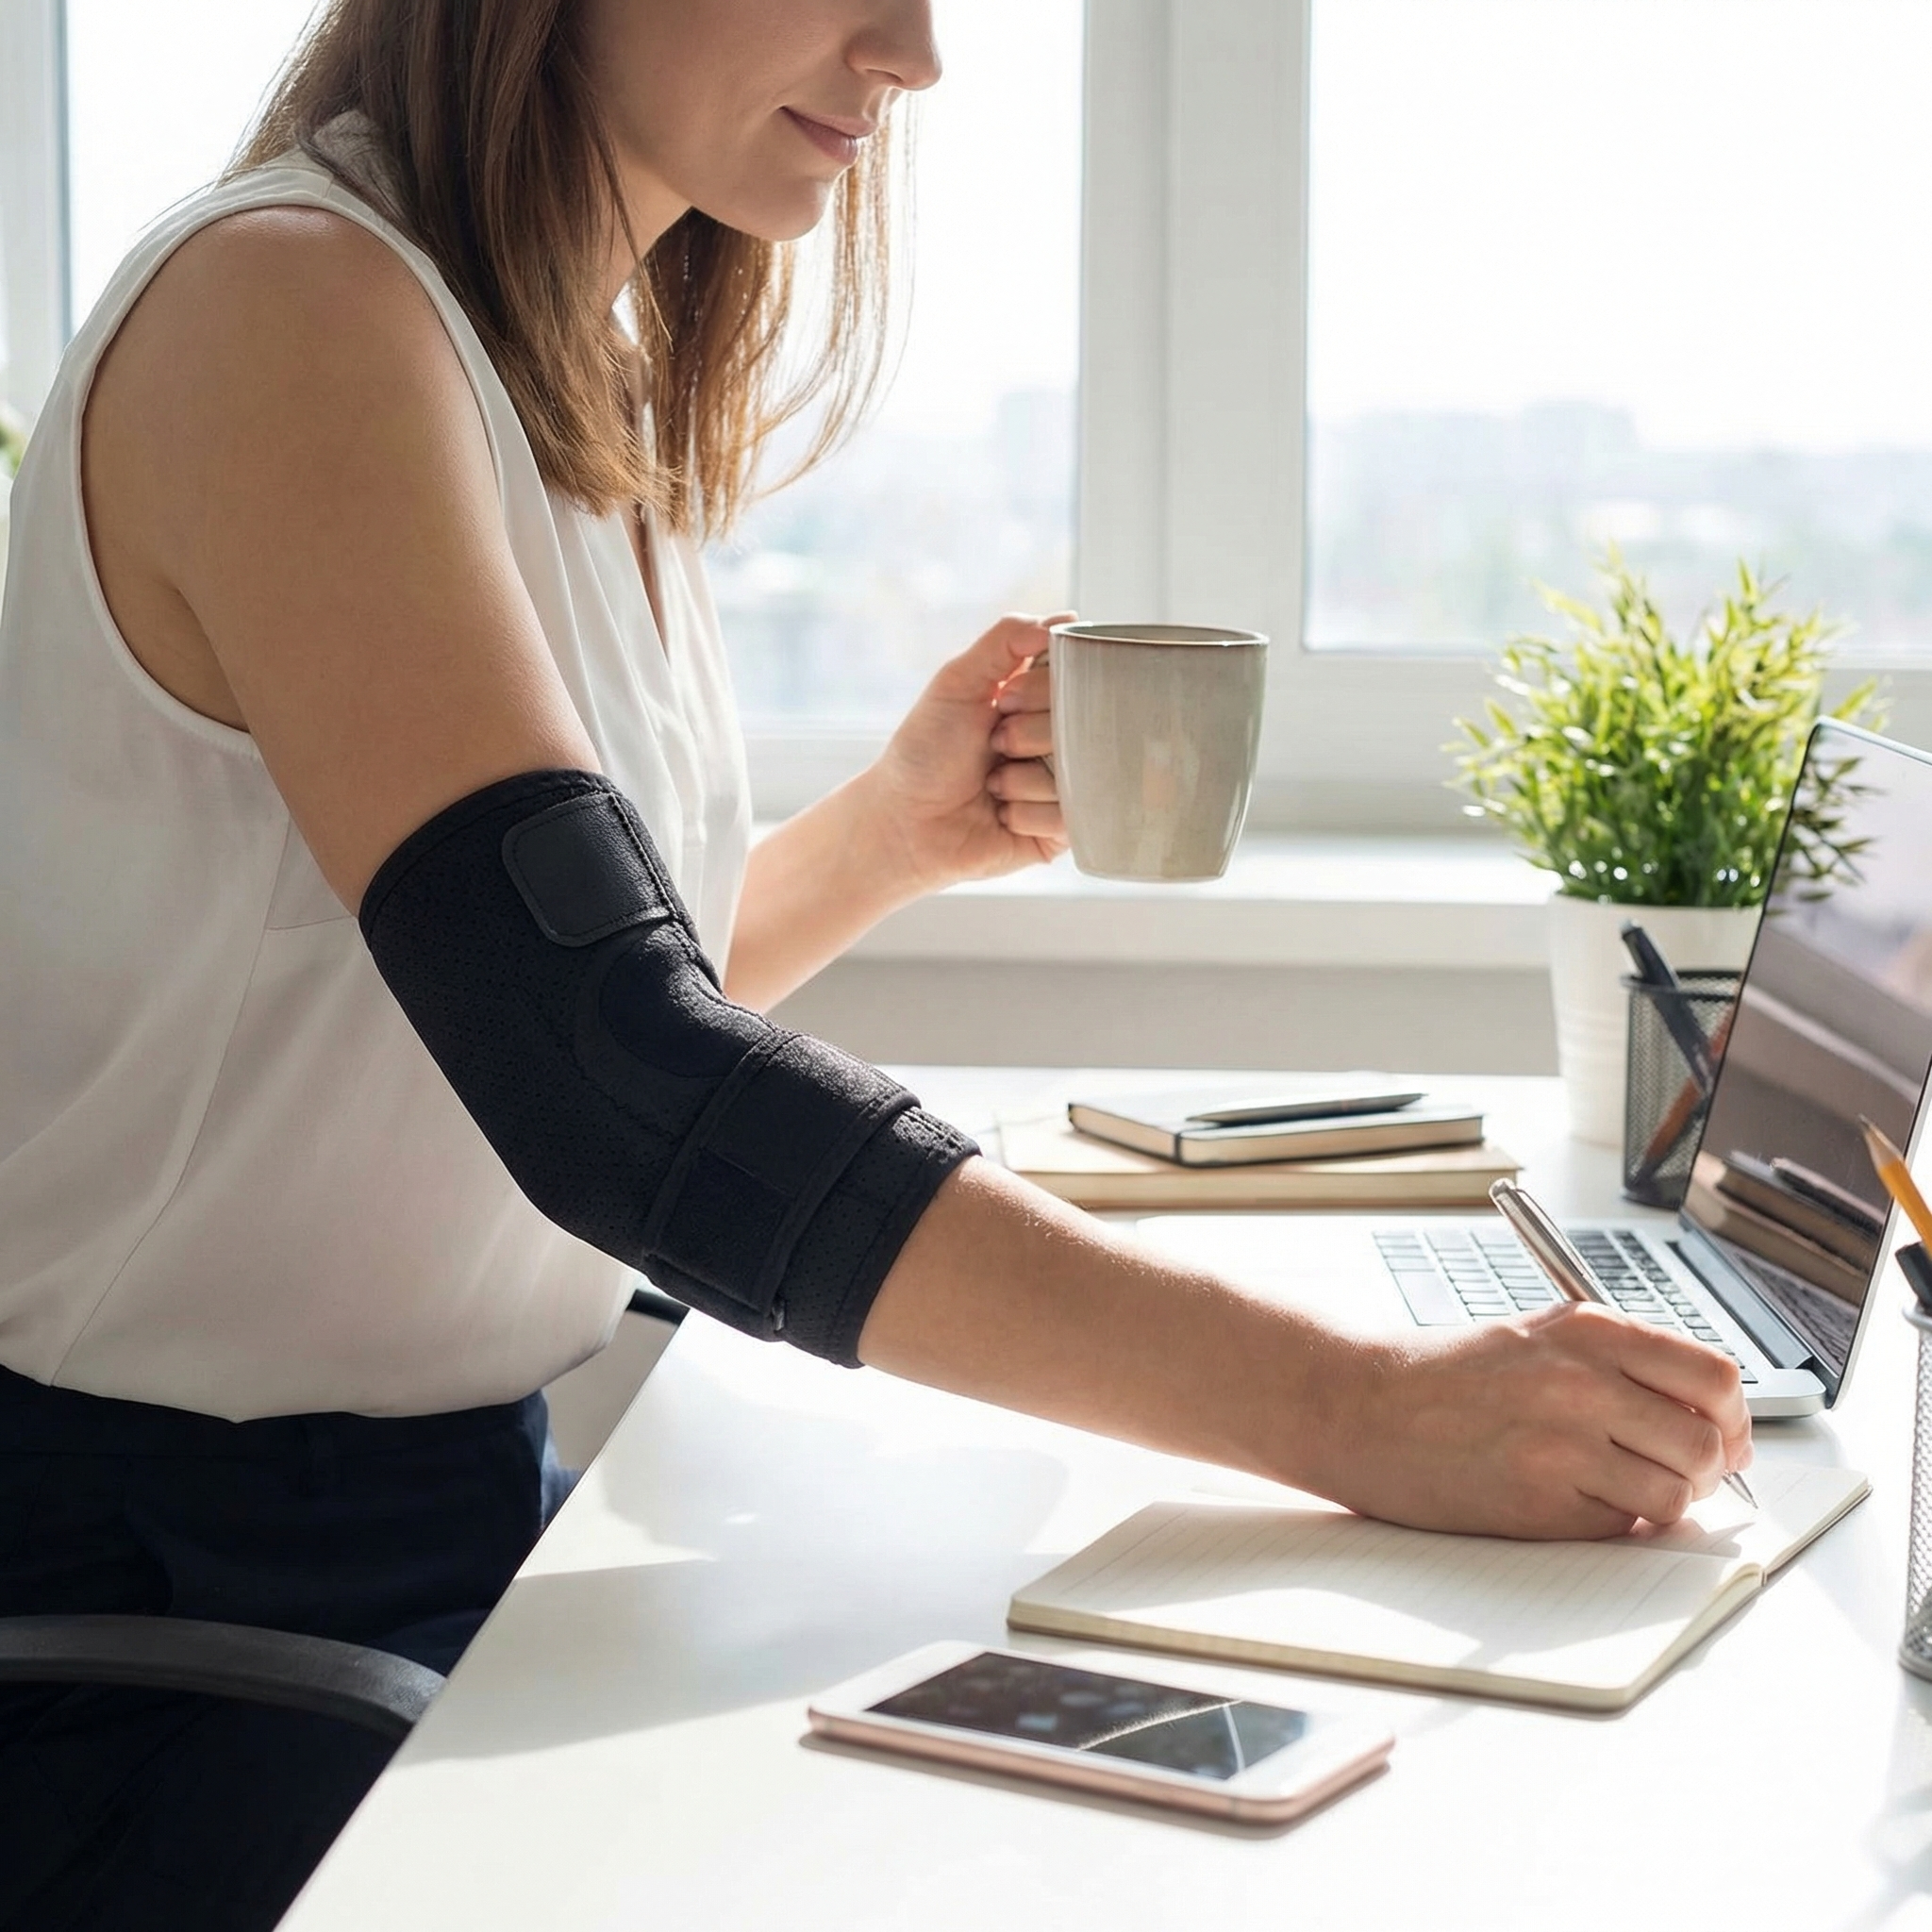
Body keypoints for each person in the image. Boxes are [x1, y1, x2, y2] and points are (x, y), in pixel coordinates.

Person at [0, 1, 1750, 1924]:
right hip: (180, 1637)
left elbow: (462, 1015)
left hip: (436, 1541)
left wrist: (888, 836)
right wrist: (1356, 1405)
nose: (915, 54)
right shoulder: (291, 311)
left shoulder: (542, 373)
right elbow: (594, 1068)